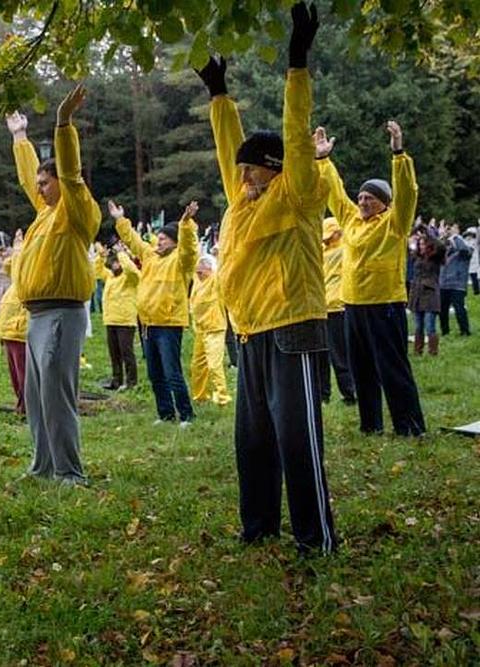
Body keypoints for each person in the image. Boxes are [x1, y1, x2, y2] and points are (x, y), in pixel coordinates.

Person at [196, 1, 337, 554]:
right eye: (243, 169)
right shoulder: (243, 202)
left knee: (296, 439)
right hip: (249, 331)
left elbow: (296, 137)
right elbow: (225, 146)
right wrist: (217, 94)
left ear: (274, 169)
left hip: (293, 327)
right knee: (253, 439)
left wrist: (296, 63)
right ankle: (258, 529)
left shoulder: (298, 196)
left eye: (252, 167)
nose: (244, 175)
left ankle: (314, 538)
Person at [6, 83, 101, 486]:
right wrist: (19, 138)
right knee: (37, 395)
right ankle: (43, 465)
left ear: (61, 182)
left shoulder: (76, 211)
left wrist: (64, 125)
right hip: (37, 315)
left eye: (48, 182)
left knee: (57, 397)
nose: (40, 187)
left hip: (63, 312)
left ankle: (69, 471)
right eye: (41, 183)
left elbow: (73, 175)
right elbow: (29, 180)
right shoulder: (44, 216)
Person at [315, 118, 426, 436]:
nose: (363, 201)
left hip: (385, 304)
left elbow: (407, 192)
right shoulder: (351, 220)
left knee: (392, 368)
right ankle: (370, 425)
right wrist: (323, 159)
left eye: (370, 198)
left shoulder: (395, 222)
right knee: (362, 370)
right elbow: (335, 194)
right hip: (353, 305)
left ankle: (410, 426)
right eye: (361, 197)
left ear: (385, 203)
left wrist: (398, 154)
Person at [114, 199, 199, 423]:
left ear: (174, 241)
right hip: (148, 325)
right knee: (155, 374)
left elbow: (190, 248)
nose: (158, 242)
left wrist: (186, 224)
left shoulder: (181, 262)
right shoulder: (150, 256)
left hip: (169, 325)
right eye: (158, 238)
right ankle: (166, 414)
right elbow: (133, 240)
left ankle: (187, 415)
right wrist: (120, 220)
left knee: (172, 373)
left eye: (163, 239)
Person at [319, 218, 356, 404]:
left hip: (337, 308)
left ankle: (349, 393)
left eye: (329, 235)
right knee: (323, 355)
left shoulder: (343, 251)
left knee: (338, 354)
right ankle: (324, 394)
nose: (326, 239)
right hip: (324, 308)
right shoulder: (326, 251)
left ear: (337, 233)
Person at [94, 243, 140, 391]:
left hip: (125, 321)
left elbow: (132, 270)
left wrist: (122, 254)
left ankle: (131, 382)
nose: (115, 265)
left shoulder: (129, 278)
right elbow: (97, 271)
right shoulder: (110, 277)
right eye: (113, 262)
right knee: (114, 353)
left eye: (118, 262)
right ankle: (116, 380)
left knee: (127, 352)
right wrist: (101, 256)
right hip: (111, 320)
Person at [189, 254, 232, 406]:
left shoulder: (215, 281)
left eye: (201, 271)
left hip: (215, 329)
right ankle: (200, 396)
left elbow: (223, 269)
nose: (199, 273)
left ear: (210, 269)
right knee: (197, 365)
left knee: (214, 365)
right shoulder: (197, 281)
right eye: (197, 271)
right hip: (201, 330)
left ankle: (222, 397)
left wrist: (219, 254)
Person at [0, 235, 28, 415]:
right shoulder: (14, 283)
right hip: (8, 332)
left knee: (23, 373)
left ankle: (27, 406)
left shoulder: (27, 283)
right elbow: (8, 265)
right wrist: (15, 249)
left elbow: (18, 262)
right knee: (15, 373)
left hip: (19, 333)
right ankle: (21, 403)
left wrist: (19, 248)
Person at [408, 226, 446, 355]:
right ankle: (417, 351)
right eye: (420, 244)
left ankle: (432, 351)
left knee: (430, 326)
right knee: (418, 326)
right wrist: (416, 228)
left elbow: (440, 246)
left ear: (429, 245)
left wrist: (429, 232)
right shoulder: (416, 257)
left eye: (424, 243)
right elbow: (407, 243)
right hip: (417, 293)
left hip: (430, 294)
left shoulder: (436, 257)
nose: (421, 246)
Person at [438, 222, 472, 336]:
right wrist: (441, 236)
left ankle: (465, 331)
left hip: (458, 284)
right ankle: (445, 331)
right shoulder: (446, 247)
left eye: (452, 228)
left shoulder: (465, 245)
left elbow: (465, 250)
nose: (449, 230)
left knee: (459, 308)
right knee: (442, 310)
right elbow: (435, 249)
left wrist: (455, 236)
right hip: (443, 283)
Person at [466, 227, 479, 295]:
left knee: (474, 276)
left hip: (473, 260)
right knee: (466, 276)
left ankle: (476, 291)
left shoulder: (475, 241)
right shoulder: (466, 240)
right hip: (468, 261)